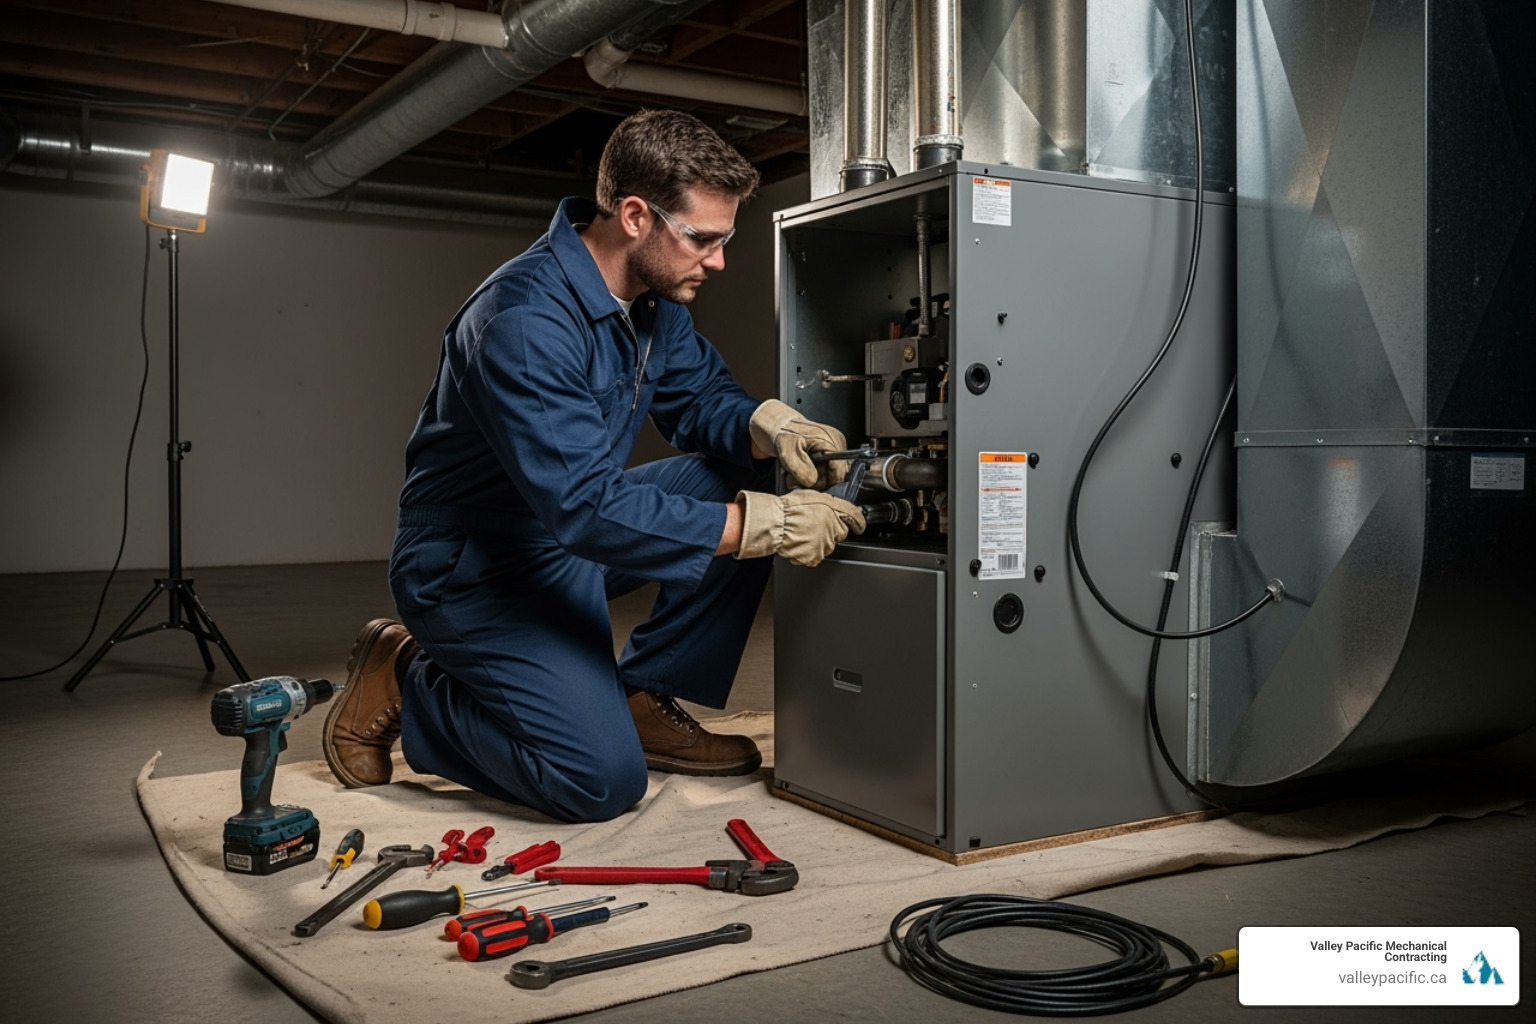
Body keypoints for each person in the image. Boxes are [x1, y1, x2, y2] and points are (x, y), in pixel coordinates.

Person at [321, 110, 864, 823]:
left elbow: (697, 397)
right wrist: (760, 528)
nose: (719, 260)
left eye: (725, 239)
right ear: (635, 216)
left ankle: (640, 695)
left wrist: (773, 424)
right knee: (599, 782)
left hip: (565, 536)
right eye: (703, 239)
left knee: (754, 472)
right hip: (475, 567)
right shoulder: (522, 321)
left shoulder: (653, 302)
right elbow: (583, 505)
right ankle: (407, 678)